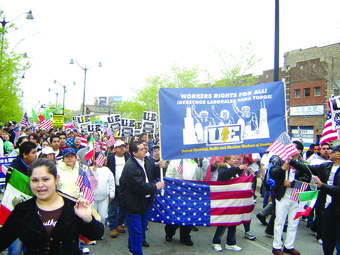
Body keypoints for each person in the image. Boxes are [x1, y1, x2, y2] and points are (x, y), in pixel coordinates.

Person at [0, 158, 104, 254]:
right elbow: (3, 239)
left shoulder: (73, 208)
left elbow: (96, 235)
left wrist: (87, 218)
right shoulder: (22, 210)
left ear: (56, 179)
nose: (40, 185)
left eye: (46, 179)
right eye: (35, 180)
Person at [289, 144, 340, 255]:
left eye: (333, 151)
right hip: (326, 210)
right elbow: (307, 168)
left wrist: (322, 185)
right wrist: (291, 161)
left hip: (338, 210)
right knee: (327, 240)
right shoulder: (325, 166)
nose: (330, 152)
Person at [119, 140, 165, 255]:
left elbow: (154, 173)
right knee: (136, 230)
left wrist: (162, 167)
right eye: (142, 149)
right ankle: (136, 252)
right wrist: (155, 186)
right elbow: (140, 187)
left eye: (145, 147)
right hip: (132, 202)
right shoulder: (130, 167)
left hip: (145, 201)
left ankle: (133, 244)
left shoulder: (147, 160)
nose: (145, 149)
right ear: (134, 153)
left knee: (142, 227)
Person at [270, 140, 309, 255]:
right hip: (283, 196)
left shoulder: (303, 164)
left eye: (294, 148)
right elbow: (272, 174)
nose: (290, 151)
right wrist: (282, 168)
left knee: (293, 223)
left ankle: (289, 246)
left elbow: (307, 180)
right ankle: (276, 246)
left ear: (299, 151)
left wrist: (292, 184)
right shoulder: (281, 160)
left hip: (297, 197)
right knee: (279, 221)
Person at [211, 155, 252, 252]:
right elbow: (224, 176)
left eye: (236, 159)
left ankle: (231, 242)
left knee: (234, 220)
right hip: (225, 200)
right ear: (227, 160)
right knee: (224, 221)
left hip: (235, 200)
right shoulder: (223, 167)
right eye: (233, 159)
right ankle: (216, 241)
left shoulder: (236, 169)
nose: (236, 160)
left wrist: (249, 175)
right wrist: (238, 168)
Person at [165, 158, 203, 247]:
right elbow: (168, 176)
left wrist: (199, 166)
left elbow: (198, 178)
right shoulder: (174, 161)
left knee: (187, 215)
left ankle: (185, 237)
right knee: (174, 214)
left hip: (188, 193)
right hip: (176, 193)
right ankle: (169, 233)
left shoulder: (193, 162)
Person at [106, 140, 130, 238]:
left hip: (125, 186)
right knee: (113, 207)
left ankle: (120, 223)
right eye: (119, 147)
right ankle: (113, 227)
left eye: (123, 146)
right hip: (114, 186)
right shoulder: (110, 158)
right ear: (115, 149)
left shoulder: (128, 157)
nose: (122, 148)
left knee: (123, 206)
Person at [91, 152, 115, 227]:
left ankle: (101, 231)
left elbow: (111, 183)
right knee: (93, 216)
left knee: (103, 216)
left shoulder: (107, 170)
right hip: (92, 198)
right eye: (99, 158)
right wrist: (94, 173)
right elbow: (91, 184)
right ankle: (93, 232)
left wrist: (112, 194)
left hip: (104, 197)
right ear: (95, 159)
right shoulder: (90, 169)